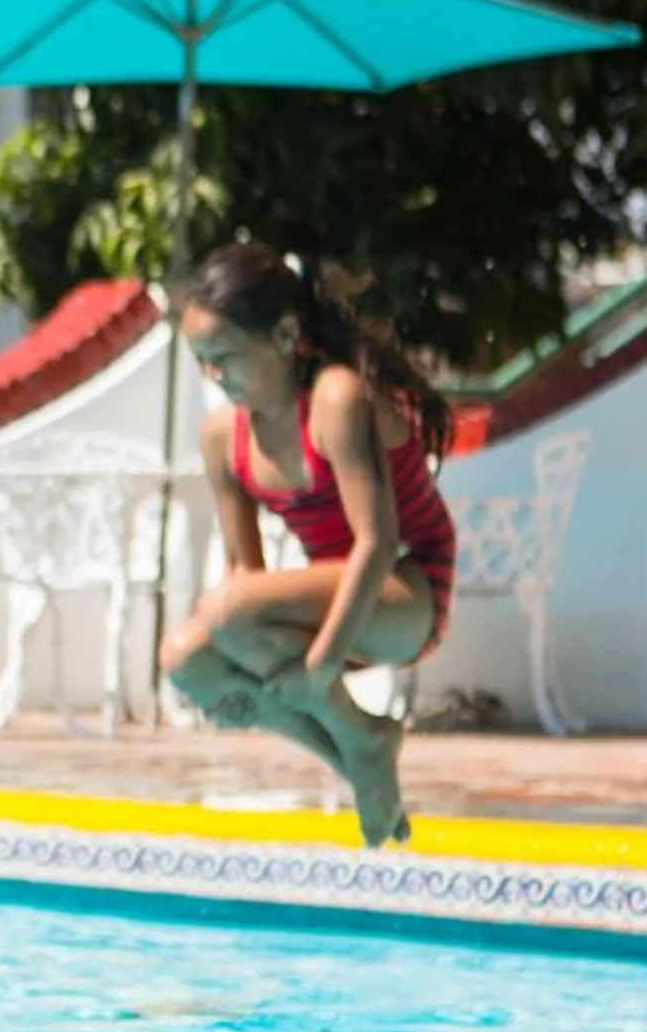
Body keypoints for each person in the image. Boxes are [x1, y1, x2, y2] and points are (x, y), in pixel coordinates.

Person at [159, 243, 460, 849]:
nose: (213, 376)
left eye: (224, 357)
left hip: (406, 591)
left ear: (286, 333)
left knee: (225, 611)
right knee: (185, 661)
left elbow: (379, 543)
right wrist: (230, 680)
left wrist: (320, 668)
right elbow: (244, 570)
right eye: (202, 362)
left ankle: (365, 744)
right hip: (341, 607)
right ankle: (359, 752)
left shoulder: (335, 399)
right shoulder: (223, 438)